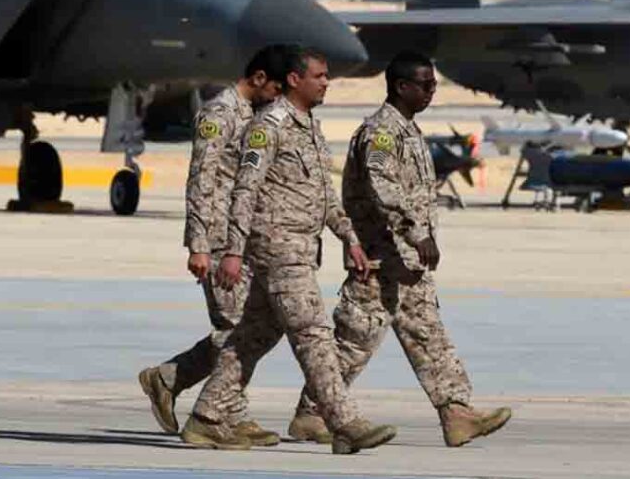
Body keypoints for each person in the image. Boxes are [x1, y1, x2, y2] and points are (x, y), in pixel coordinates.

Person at [289, 51, 511, 448]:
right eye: (425, 85)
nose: (431, 92)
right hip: (380, 258)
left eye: (434, 85)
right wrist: (416, 233)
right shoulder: (381, 133)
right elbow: (383, 188)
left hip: (405, 262)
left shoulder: (408, 131)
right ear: (401, 87)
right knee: (354, 342)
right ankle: (312, 413)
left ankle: (456, 412)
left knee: (428, 335)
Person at [182, 46, 397, 454]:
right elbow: (244, 188)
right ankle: (343, 422)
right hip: (276, 248)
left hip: (300, 246)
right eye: (319, 76)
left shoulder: (309, 128)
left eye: (327, 76)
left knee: (253, 335)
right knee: (313, 334)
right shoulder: (269, 127)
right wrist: (231, 250)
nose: (326, 82)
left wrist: (348, 237)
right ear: (295, 80)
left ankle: (207, 417)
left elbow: (323, 195)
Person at [138, 46, 287, 447]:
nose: (277, 97)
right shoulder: (219, 114)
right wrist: (199, 245)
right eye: (274, 87)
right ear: (257, 79)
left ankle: (171, 378)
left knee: (260, 325)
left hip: (243, 238)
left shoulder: (255, 117)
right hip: (218, 239)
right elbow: (200, 180)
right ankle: (225, 414)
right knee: (234, 328)